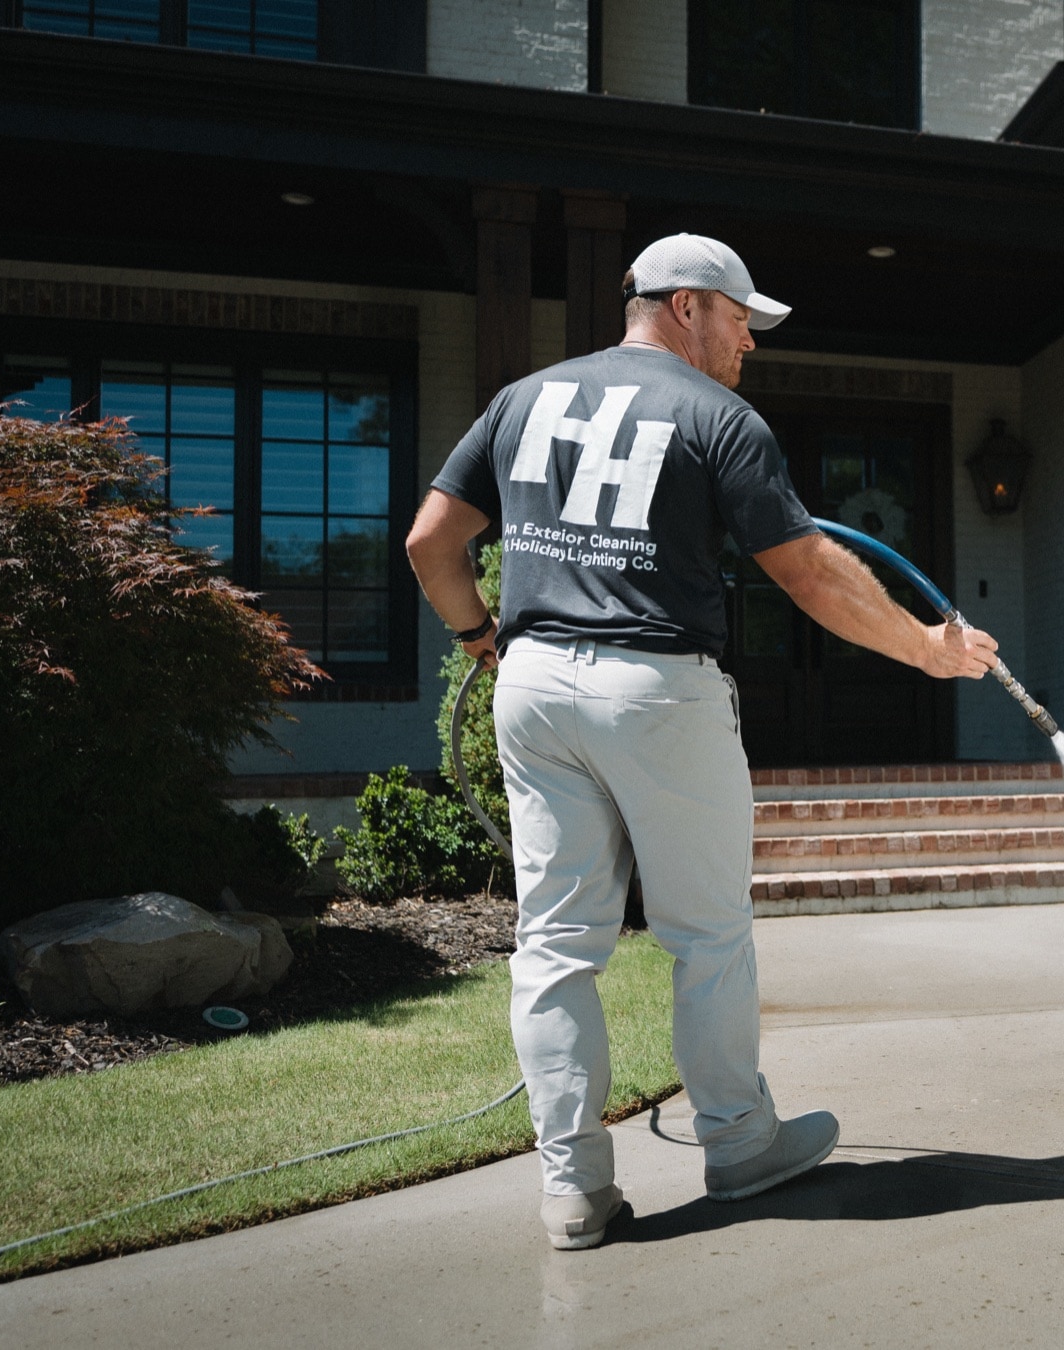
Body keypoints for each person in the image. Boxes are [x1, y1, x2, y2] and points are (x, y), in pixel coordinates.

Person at [405, 233, 998, 1250]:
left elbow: (429, 542)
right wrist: (927, 648)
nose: (748, 345)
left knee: (553, 947)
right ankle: (739, 1144)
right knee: (707, 935)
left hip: (536, 684)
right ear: (686, 307)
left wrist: (477, 635)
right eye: (739, 320)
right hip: (656, 688)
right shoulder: (718, 416)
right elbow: (809, 572)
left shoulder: (523, 399)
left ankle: (573, 1192)